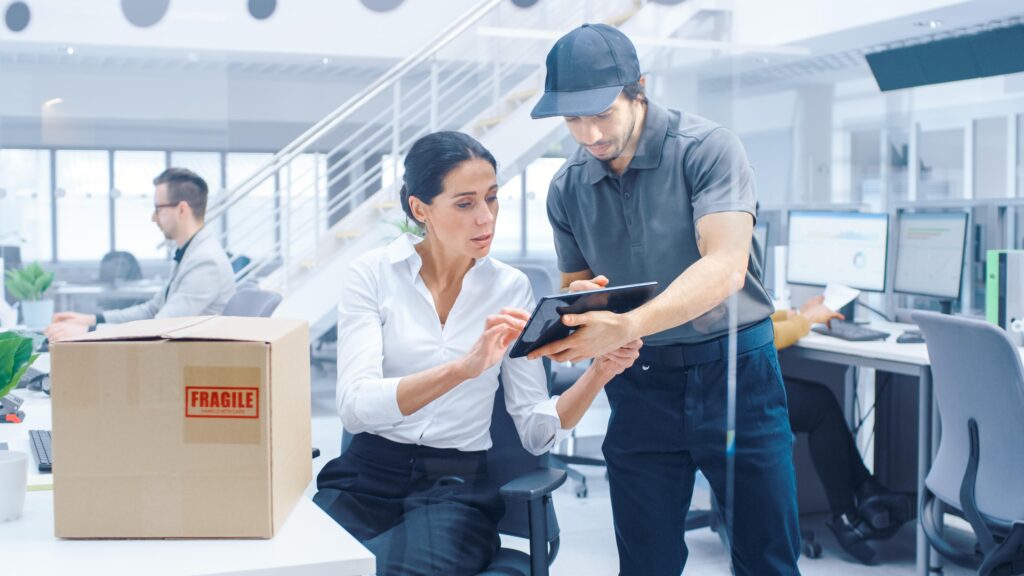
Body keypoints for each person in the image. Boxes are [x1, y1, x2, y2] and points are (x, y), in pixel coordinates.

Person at [528, 24, 800, 575]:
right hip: (641, 382)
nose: (587, 132)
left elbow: (724, 265)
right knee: (645, 562)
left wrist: (628, 326)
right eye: (572, 118)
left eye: (600, 113)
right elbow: (583, 282)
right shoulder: (566, 186)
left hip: (734, 373)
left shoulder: (708, 149)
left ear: (639, 90)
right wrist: (581, 309)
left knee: (766, 558)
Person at [312, 131, 642, 576]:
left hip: (455, 488)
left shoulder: (511, 288)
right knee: (315, 563)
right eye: (465, 204)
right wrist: (462, 370)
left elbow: (535, 430)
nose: (486, 218)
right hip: (365, 476)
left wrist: (599, 374)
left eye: (492, 198)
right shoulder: (371, 276)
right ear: (420, 209)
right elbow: (355, 408)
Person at [773, 295, 913, 565]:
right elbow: (761, 335)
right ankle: (847, 511)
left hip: (718, 384)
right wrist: (805, 319)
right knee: (820, 407)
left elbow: (749, 321)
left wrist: (794, 314)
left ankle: (864, 492)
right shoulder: (724, 269)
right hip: (730, 392)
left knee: (820, 400)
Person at [45, 168, 235, 341]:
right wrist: (92, 319)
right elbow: (151, 310)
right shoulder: (191, 252)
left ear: (182, 209)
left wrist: (89, 331)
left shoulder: (205, 261)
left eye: (158, 209)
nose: (153, 218)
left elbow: (161, 326)